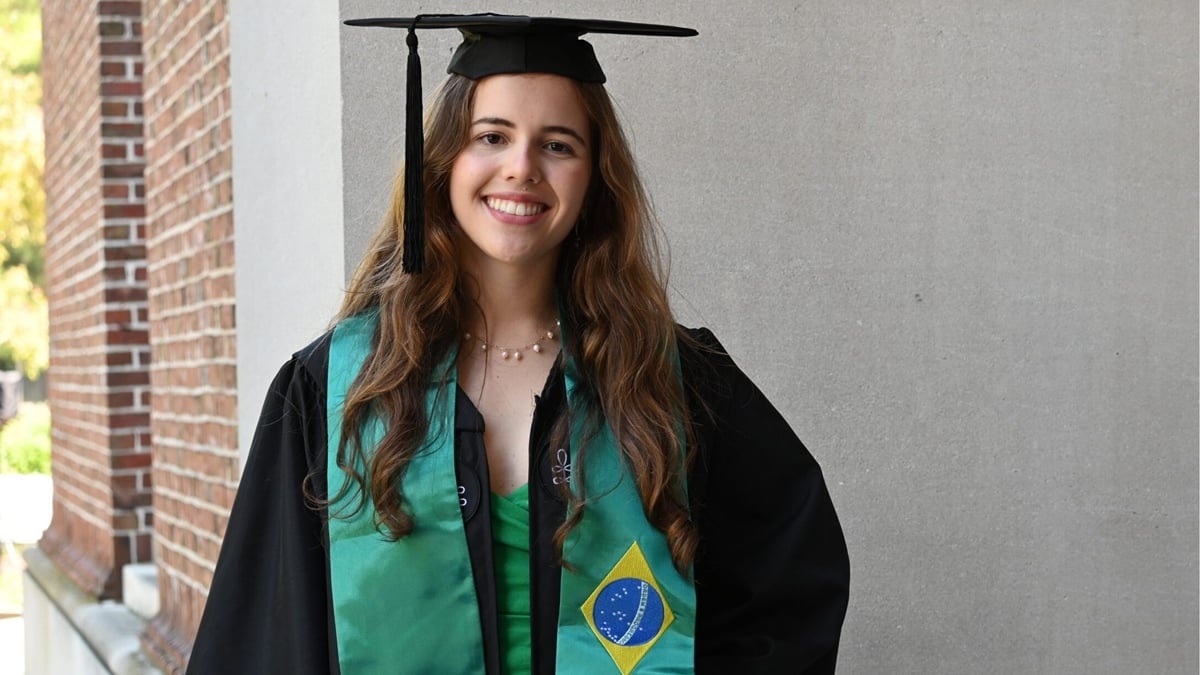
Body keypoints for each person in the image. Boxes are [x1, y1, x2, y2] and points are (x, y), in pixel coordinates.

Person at [187, 14, 849, 675]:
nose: (522, 167)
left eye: (558, 145)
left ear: (595, 177)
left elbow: (788, 593)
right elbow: (264, 639)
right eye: (492, 137)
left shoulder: (670, 381)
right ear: (444, 161)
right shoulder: (337, 388)